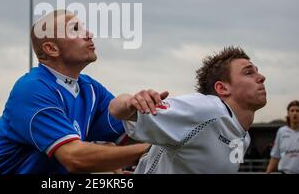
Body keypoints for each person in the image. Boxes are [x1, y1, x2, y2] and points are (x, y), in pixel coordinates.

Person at [0, 10, 150, 174]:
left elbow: (131, 132)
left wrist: (131, 105)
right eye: (75, 29)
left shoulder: (90, 88)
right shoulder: (33, 89)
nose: (89, 34)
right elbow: (74, 158)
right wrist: (147, 151)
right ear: (51, 49)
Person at [109, 46, 267, 173]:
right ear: (222, 88)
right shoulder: (205, 110)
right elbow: (117, 110)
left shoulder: (244, 137)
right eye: (248, 72)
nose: (261, 77)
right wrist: (130, 101)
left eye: (257, 71)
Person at [266, 100, 299, 174]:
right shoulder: (281, 132)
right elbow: (275, 156)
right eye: (292, 110)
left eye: (297, 111)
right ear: (288, 114)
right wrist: (267, 172)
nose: (295, 113)